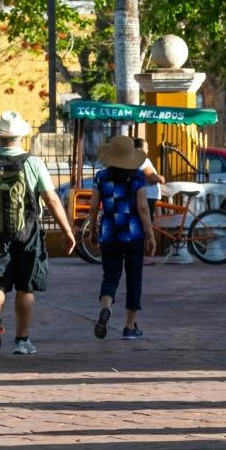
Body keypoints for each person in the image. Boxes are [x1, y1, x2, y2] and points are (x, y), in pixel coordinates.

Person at [0, 111, 77, 355]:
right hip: (29, 234)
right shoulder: (33, 163)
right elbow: (51, 199)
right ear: (21, 136)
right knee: (26, 287)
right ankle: (22, 341)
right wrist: (67, 230)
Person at [93, 135, 154, 340]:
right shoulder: (137, 177)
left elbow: (94, 207)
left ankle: (106, 307)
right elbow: (143, 207)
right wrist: (150, 234)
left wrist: (93, 228)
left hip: (109, 233)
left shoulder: (101, 176)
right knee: (134, 279)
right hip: (133, 233)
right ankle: (129, 326)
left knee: (110, 275)